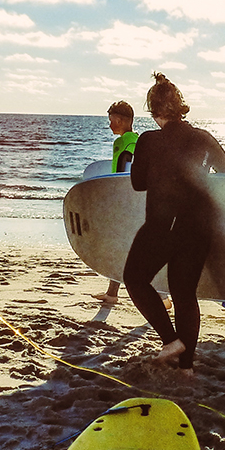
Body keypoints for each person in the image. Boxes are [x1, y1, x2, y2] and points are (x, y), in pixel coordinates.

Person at [122, 73, 225, 372]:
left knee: (134, 278)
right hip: (200, 227)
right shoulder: (204, 138)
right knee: (184, 295)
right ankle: (186, 369)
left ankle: (171, 340)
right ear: (180, 107)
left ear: (154, 110)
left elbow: (137, 183)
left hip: (163, 225)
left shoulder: (148, 140)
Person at [93, 100, 139, 306]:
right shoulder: (136, 139)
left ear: (120, 120)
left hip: (125, 201)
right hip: (135, 199)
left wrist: (115, 199)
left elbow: (123, 169)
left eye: (111, 120)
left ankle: (162, 296)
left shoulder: (123, 142)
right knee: (122, 248)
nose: (110, 125)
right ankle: (112, 293)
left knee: (122, 248)